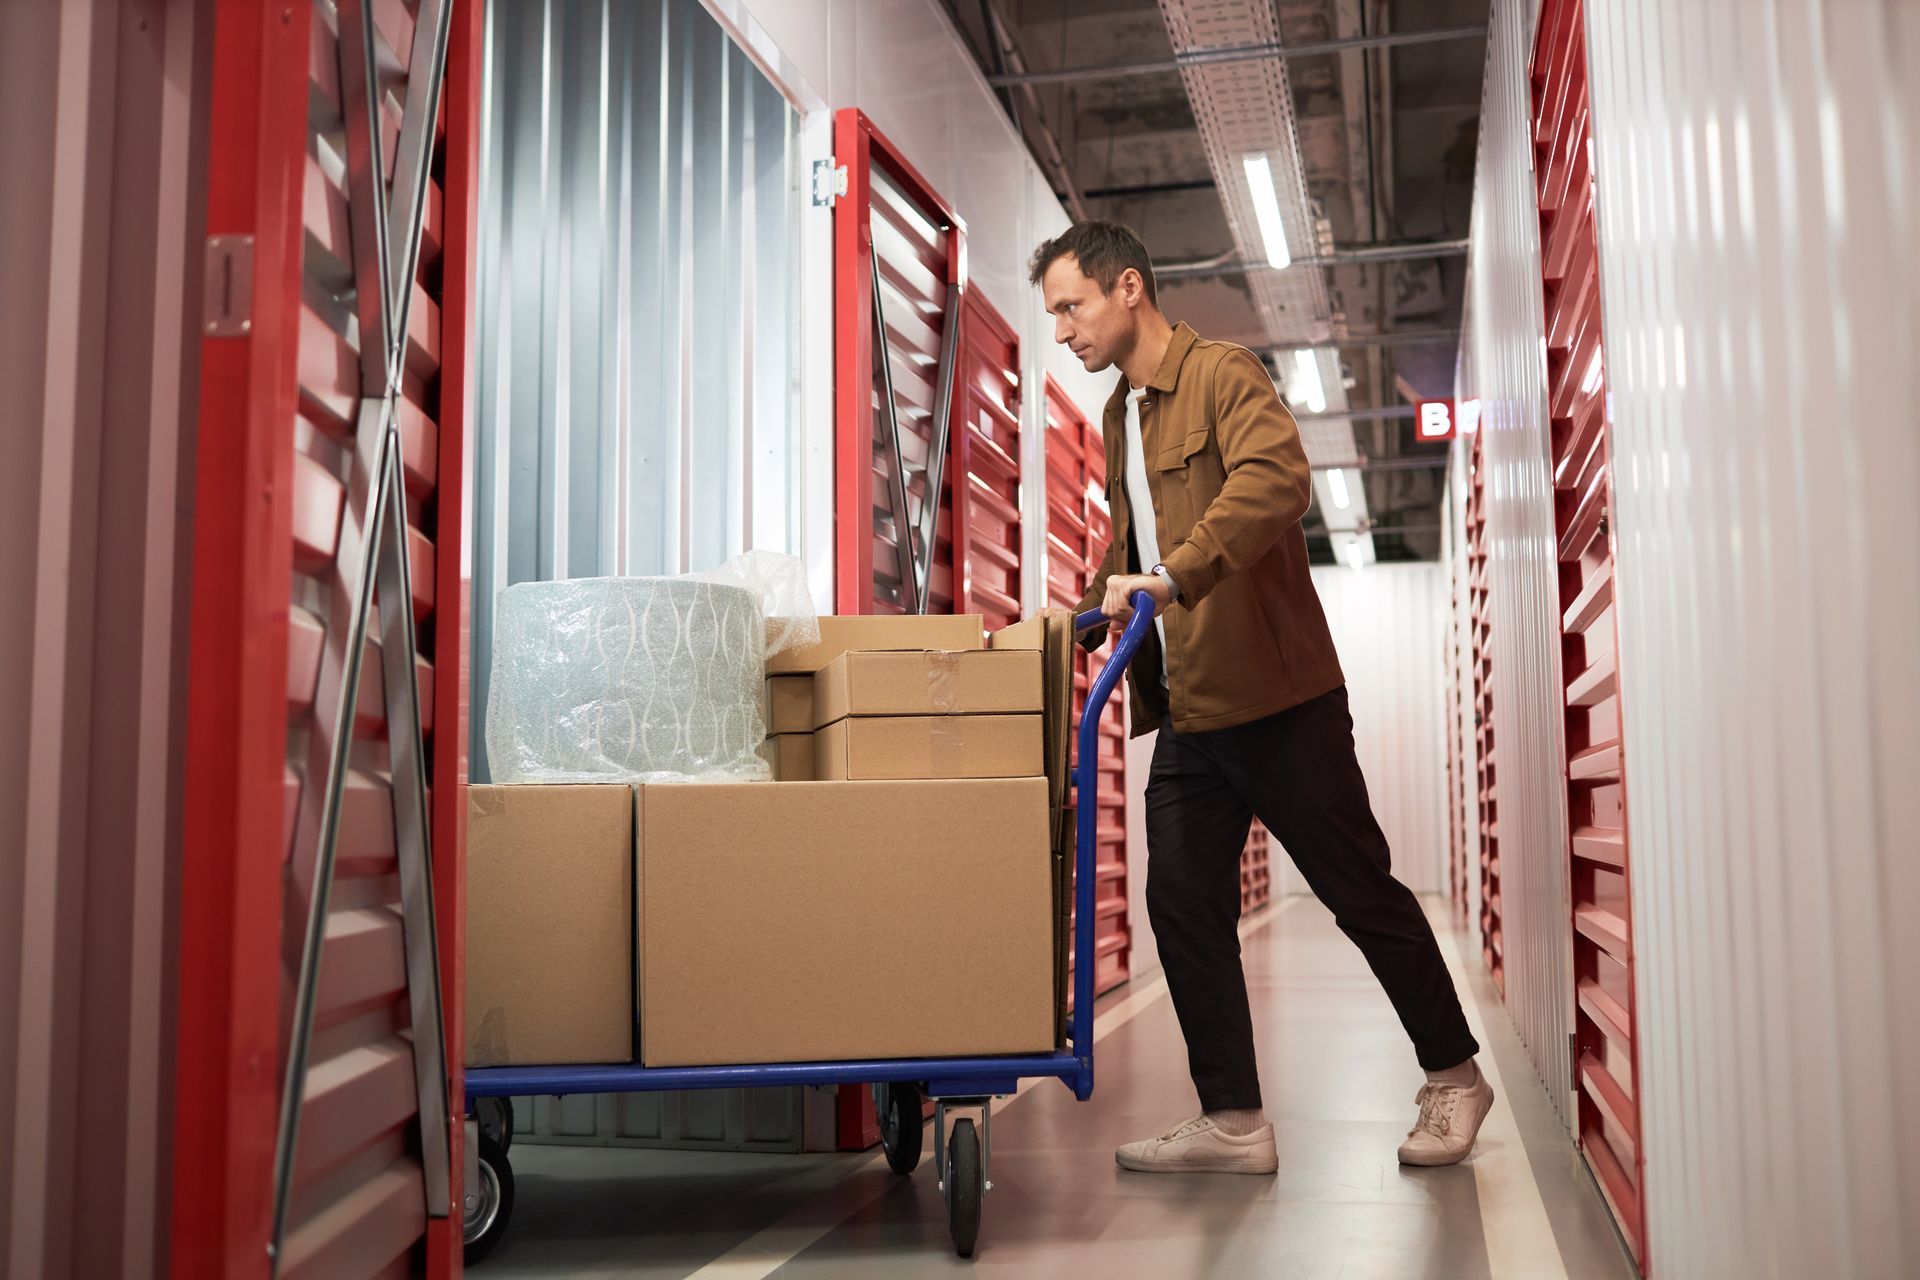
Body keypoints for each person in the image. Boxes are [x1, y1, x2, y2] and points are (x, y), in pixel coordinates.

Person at [1031, 220, 1493, 1174]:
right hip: (1194, 706)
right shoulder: (1123, 416)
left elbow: (1278, 481)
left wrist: (1174, 575)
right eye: (1052, 316)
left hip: (1280, 698)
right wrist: (1078, 617)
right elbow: (1130, 547)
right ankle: (1234, 1120)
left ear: (1128, 287)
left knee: (1356, 887)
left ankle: (1455, 1076)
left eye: (1071, 307)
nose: (1064, 331)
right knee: (1183, 903)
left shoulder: (1225, 374)